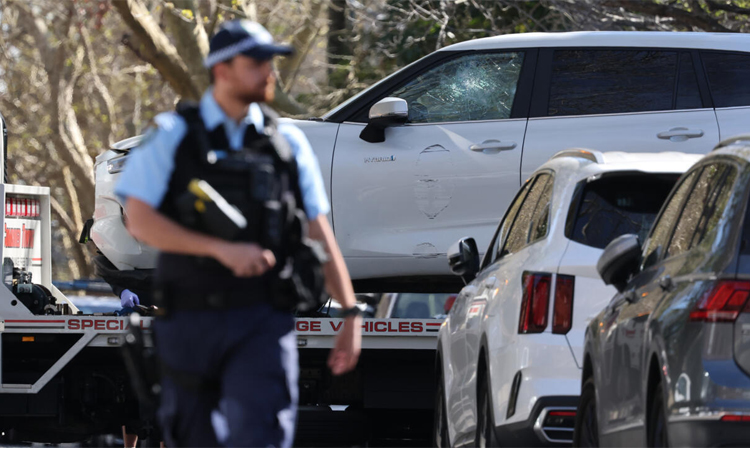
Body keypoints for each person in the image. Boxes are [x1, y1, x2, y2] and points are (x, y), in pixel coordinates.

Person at [114, 19, 362, 447]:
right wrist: (220, 249)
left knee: (262, 437)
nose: (269, 72)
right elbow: (138, 220)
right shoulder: (171, 135)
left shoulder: (288, 143)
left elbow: (320, 232)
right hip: (191, 320)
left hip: (262, 320)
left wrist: (351, 314)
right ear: (222, 70)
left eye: (271, 63)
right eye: (256, 63)